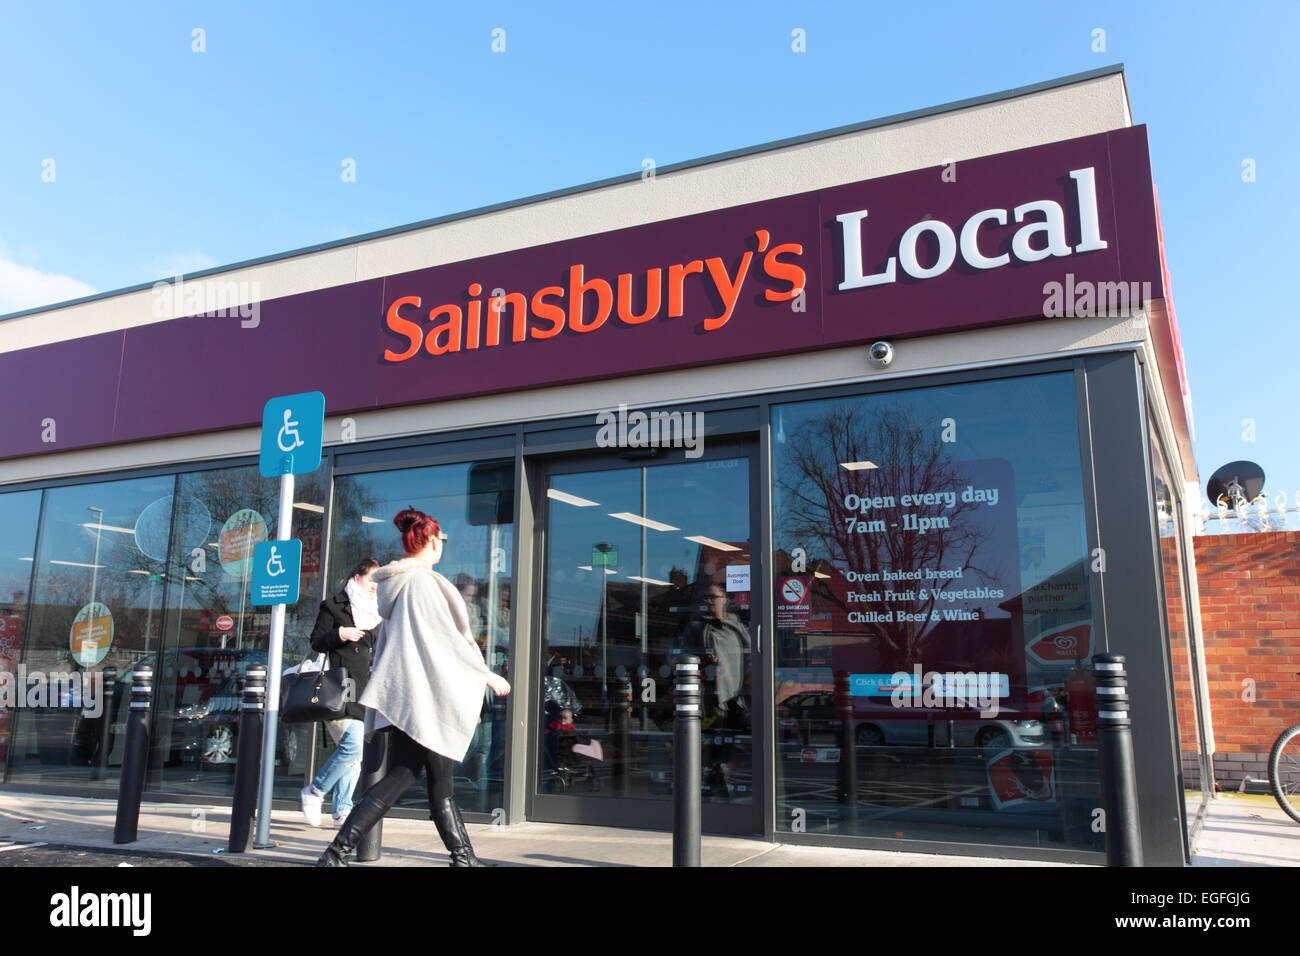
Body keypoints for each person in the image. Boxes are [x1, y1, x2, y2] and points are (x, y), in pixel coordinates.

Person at [317, 508, 511, 867]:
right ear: (432, 542)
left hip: (415, 698)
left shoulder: (400, 585)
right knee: (407, 777)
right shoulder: (421, 584)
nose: (443, 548)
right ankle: (336, 853)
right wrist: (485, 673)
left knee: (433, 780)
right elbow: (445, 640)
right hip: (427, 699)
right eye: (442, 541)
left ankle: (462, 857)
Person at [300, 557, 381, 827]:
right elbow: (317, 641)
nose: (375, 586)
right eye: (372, 580)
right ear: (357, 578)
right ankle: (315, 790)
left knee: (354, 756)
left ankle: (342, 811)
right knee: (353, 746)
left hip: (365, 691)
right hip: (338, 687)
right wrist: (341, 634)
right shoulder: (333, 606)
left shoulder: (378, 612)